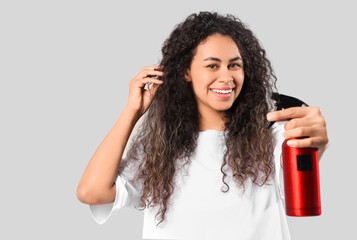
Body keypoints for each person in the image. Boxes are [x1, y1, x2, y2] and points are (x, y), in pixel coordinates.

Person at [76, 12, 329, 240]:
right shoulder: (159, 150)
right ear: (186, 72)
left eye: (234, 65)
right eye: (212, 65)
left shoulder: (268, 135)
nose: (226, 77)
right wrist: (132, 111)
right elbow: (92, 192)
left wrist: (314, 140)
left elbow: (298, 161)